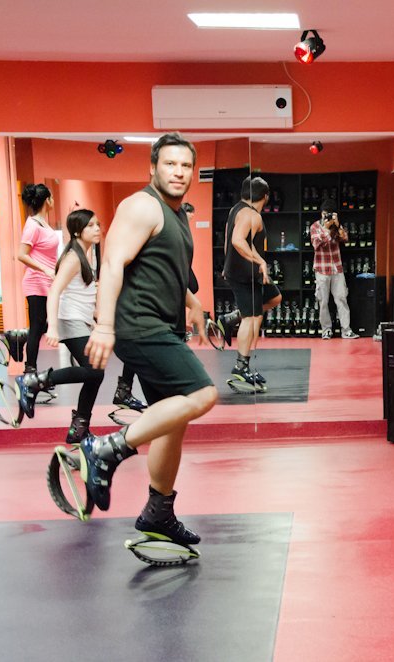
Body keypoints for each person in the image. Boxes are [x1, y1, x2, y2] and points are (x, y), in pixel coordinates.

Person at [81, 132, 217, 547]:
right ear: (153, 168)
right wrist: (104, 325)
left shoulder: (176, 214)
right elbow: (113, 262)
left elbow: (163, 268)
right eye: (170, 164)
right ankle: (106, 449)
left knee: (171, 422)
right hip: (140, 325)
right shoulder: (142, 206)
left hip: (163, 324)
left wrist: (194, 304)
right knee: (203, 394)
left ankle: (159, 512)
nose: (179, 172)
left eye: (185, 166)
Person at [14, 209, 145, 441]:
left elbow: (82, 293)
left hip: (80, 320)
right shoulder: (73, 257)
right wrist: (52, 327)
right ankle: (35, 382)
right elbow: (55, 291)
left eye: (98, 224)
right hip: (69, 320)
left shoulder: (86, 254)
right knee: (93, 371)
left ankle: (80, 428)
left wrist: (97, 320)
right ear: (77, 232)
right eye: (91, 226)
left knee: (95, 374)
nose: (97, 229)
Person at [224, 176, 283, 391]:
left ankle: (232, 318)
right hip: (244, 275)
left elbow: (228, 237)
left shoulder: (236, 210)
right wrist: (260, 261)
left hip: (247, 273)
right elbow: (236, 240)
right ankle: (241, 366)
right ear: (265, 197)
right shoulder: (252, 216)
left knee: (275, 298)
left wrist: (226, 263)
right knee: (252, 318)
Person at [17, 183, 59, 374]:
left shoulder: (44, 223)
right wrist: (45, 269)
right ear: (47, 200)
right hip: (35, 281)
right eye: (51, 197)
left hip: (48, 281)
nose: (53, 200)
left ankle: (19, 337)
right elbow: (21, 255)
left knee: (43, 324)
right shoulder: (32, 225)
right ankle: (30, 370)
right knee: (37, 326)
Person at [311, 199, 357, 339]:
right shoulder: (315, 226)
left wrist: (337, 226)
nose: (327, 217)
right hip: (321, 269)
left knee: (341, 299)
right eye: (325, 214)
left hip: (337, 268)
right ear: (321, 213)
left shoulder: (336, 226)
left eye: (330, 214)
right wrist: (327, 229)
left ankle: (346, 329)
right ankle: (326, 330)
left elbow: (345, 238)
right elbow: (316, 244)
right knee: (323, 301)